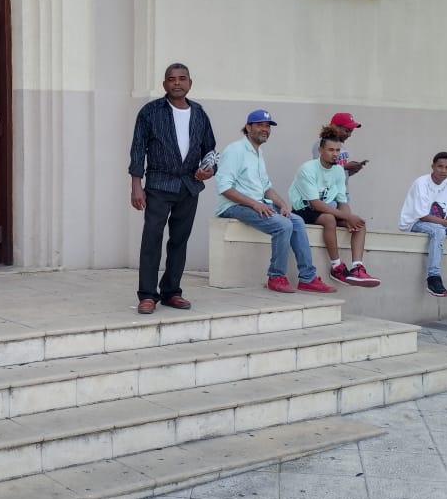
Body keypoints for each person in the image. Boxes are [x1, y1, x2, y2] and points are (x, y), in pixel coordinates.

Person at [129, 63, 217, 314]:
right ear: (164, 84)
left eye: (182, 78)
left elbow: (210, 149)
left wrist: (210, 170)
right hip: (159, 184)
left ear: (190, 83)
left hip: (189, 186)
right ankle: (148, 295)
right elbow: (138, 149)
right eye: (171, 79)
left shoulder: (199, 114)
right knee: (152, 239)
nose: (177, 83)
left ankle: (171, 292)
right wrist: (136, 185)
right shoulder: (150, 112)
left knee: (179, 240)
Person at [216, 109, 336, 294]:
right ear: (248, 127)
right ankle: (276, 276)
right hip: (233, 206)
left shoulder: (258, 153)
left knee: (296, 221)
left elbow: (266, 188)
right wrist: (255, 204)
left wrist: (283, 205)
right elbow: (225, 188)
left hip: (257, 203)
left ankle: (307, 278)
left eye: (268, 126)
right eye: (260, 125)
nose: (265, 129)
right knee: (283, 225)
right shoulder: (235, 150)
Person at [289, 129, 381, 287]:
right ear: (320, 150)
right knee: (329, 219)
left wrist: (349, 219)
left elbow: (342, 201)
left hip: (326, 208)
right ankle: (336, 266)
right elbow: (315, 203)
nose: (335, 154)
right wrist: (347, 217)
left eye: (338, 150)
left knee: (359, 224)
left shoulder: (339, 170)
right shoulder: (307, 169)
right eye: (331, 150)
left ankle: (357, 268)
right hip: (303, 209)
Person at [399, 152, 447, 297]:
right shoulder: (421, 183)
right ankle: (433, 278)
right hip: (414, 223)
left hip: (440, 224)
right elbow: (423, 216)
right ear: (432, 166)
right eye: (440, 166)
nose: (443, 171)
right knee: (438, 231)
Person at [307, 111, 367, 179]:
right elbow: (321, 170)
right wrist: (345, 167)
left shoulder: (341, 145)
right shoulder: (321, 144)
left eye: (351, 131)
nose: (349, 135)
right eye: (347, 131)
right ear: (335, 128)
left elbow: (343, 174)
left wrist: (354, 169)